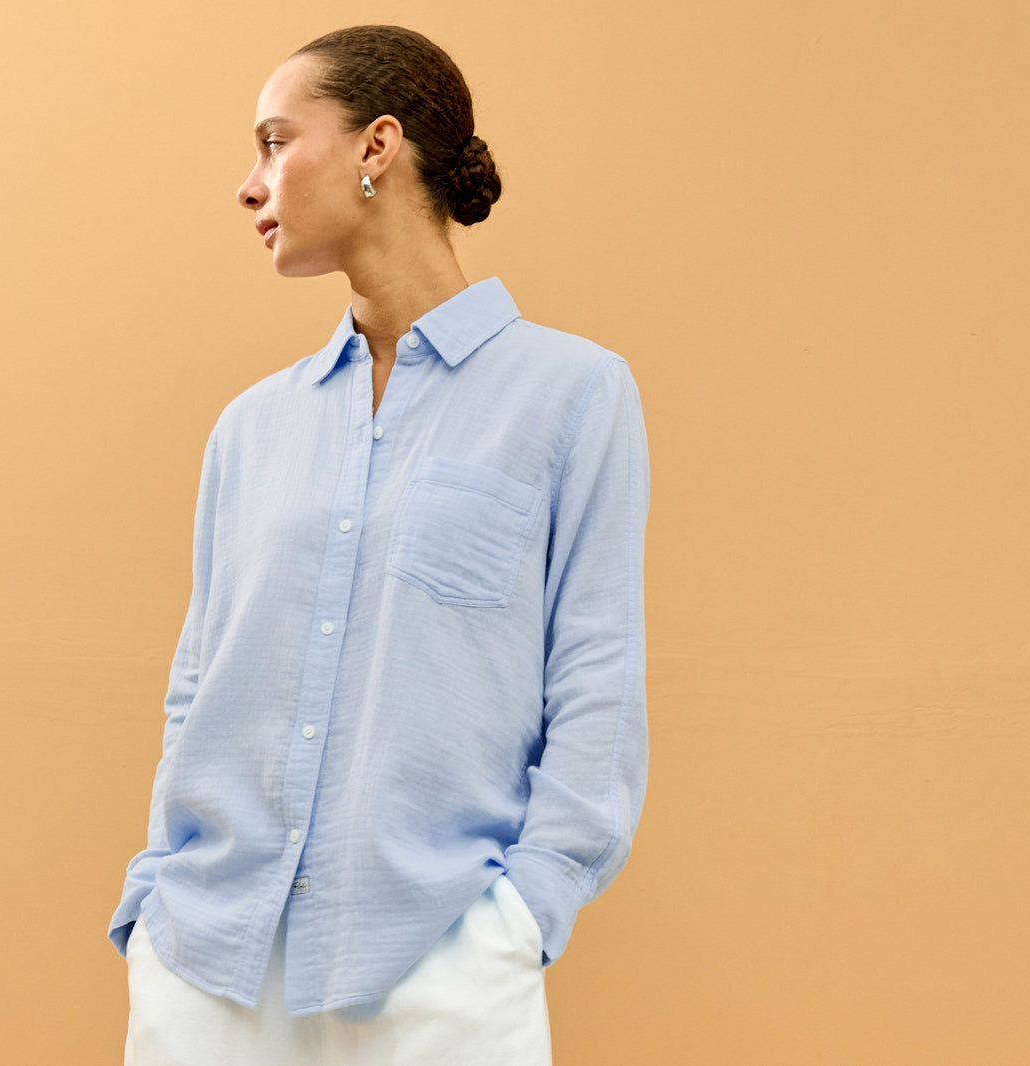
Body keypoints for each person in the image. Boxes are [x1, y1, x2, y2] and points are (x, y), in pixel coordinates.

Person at [111, 23, 651, 1066]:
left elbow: (595, 674)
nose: (249, 181)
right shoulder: (249, 429)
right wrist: (155, 896)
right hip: (210, 958)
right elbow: (198, 682)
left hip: (439, 957)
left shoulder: (573, 395)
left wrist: (522, 915)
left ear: (376, 148)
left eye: (275, 141)